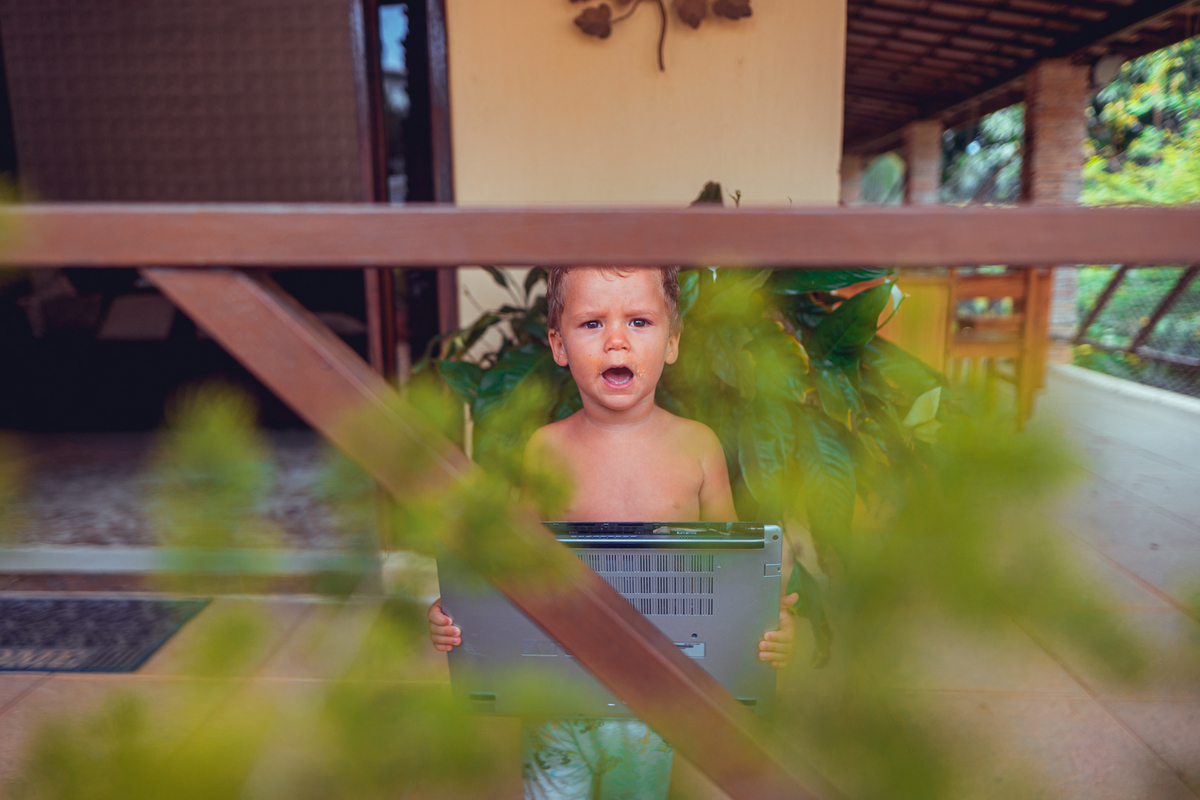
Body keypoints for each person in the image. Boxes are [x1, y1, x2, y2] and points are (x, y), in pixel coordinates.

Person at [428, 265, 799, 800]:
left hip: (654, 705)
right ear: (559, 345)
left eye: (640, 321)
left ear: (672, 342)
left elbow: (731, 573)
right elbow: (514, 568)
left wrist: (770, 627)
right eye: (592, 324)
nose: (617, 340)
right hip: (556, 700)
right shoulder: (544, 450)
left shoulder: (698, 447)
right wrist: (459, 611)